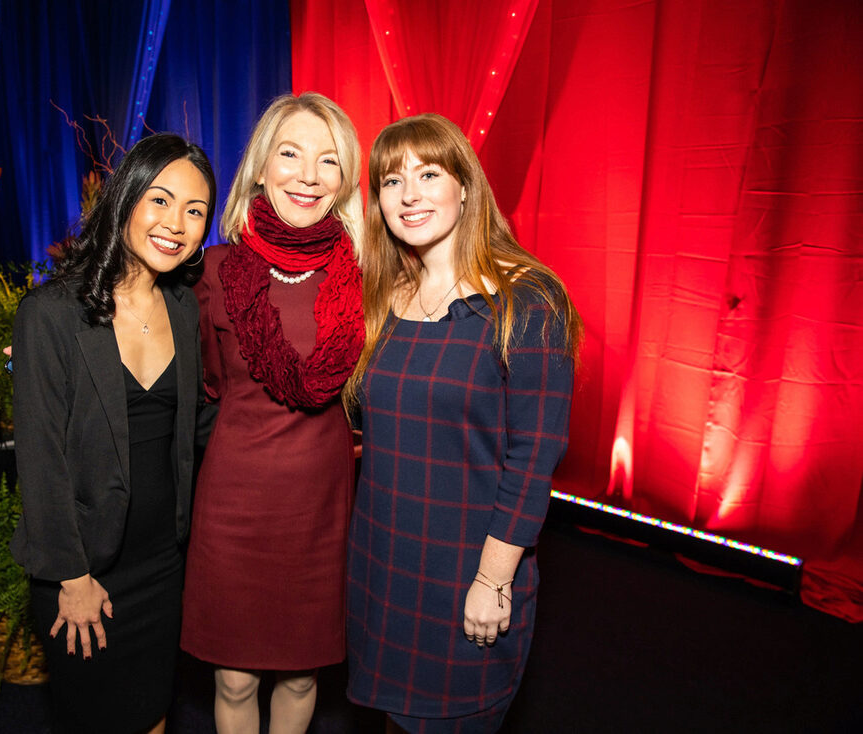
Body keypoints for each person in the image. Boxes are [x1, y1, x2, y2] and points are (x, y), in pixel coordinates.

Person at [344, 114, 582, 733]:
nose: (410, 195)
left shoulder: (526, 303)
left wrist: (492, 580)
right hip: (385, 563)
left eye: (428, 174)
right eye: (392, 182)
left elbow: (534, 459)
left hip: (468, 568)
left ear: (466, 187)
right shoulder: (384, 300)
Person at [10, 133, 217, 734]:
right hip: (86, 570)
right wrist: (69, 578)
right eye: (160, 199)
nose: (175, 223)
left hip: (163, 565)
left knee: (153, 714)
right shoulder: (50, 313)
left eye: (195, 210)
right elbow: (40, 459)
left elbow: (199, 424)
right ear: (126, 199)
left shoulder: (185, 308)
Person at [180, 92, 365, 733]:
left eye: (328, 160)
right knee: (232, 678)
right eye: (290, 154)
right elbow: (202, 381)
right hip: (235, 499)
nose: (308, 176)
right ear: (261, 165)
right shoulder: (213, 272)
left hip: (319, 502)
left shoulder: (366, 275)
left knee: (300, 671)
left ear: (346, 180)